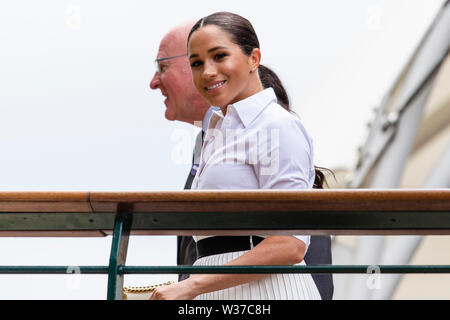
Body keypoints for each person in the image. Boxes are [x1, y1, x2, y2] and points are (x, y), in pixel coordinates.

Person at [150, 11, 330, 300]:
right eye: (196, 63)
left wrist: (190, 286)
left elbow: (290, 243)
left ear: (253, 58)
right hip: (216, 291)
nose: (207, 71)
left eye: (219, 56)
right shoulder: (215, 132)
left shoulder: (277, 125)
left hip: (266, 293)